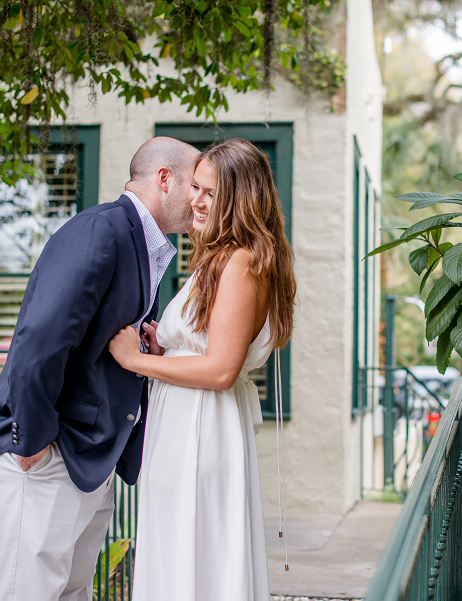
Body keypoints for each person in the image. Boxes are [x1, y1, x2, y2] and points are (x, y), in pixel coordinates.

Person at [0, 137, 199, 601]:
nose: (200, 198)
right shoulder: (102, 231)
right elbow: (40, 336)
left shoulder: (144, 246)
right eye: (195, 184)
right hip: (44, 454)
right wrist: (32, 438)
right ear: (165, 179)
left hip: (89, 459)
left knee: (72, 592)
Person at [108, 138, 296, 601]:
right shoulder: (219, 257)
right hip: (184, 423)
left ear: (239, 199)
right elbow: (205, 347)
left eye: (210, 193)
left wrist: (137, 360)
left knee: (196, 553)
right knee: (180, 552)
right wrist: (165, 348)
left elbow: (219, 370)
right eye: (194, 187)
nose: (195, 199)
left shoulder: (242, 261)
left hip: (202, 427)